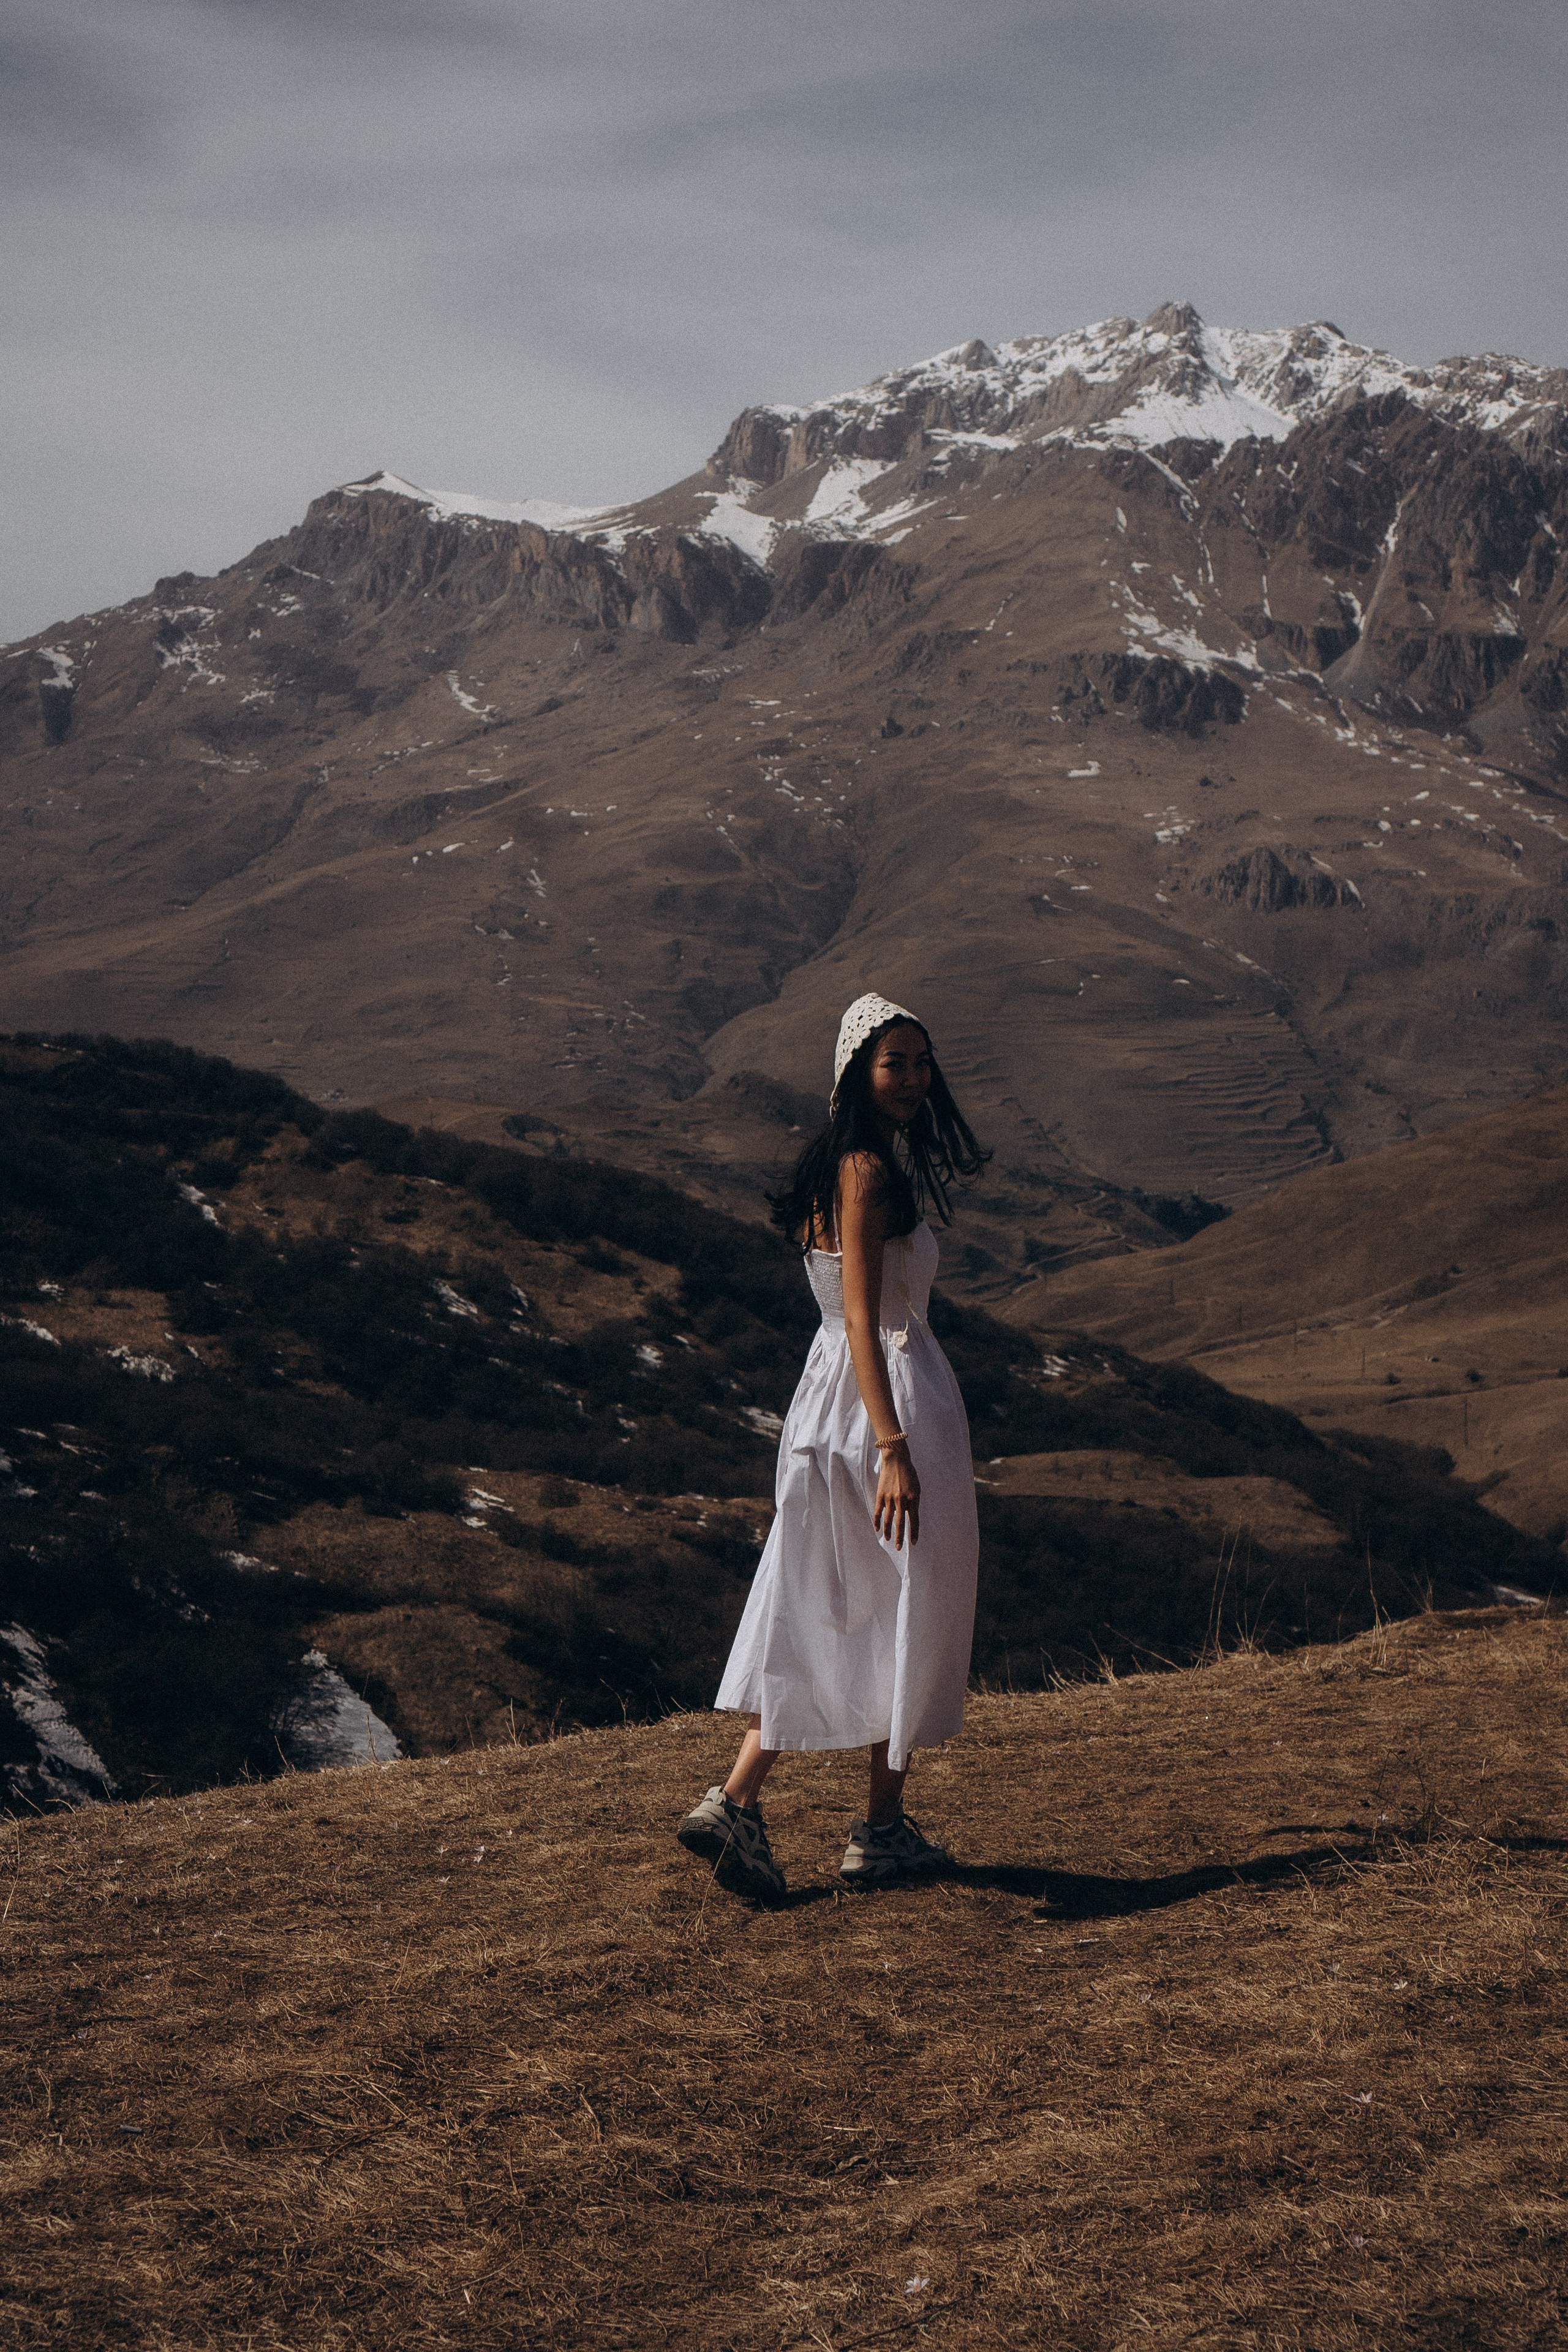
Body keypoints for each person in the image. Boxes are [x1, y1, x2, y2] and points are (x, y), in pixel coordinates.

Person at [677, 991, 990, 1896]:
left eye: (921, 1063)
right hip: (879, 1403)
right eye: (895, 1063)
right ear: (858, 1071)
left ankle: (740, 1803)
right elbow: (861, 1315)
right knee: (908, 1599)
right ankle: (878, 1829)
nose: (913, 1080)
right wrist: (893, 1442)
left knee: (821, 1594)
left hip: (829, 1406)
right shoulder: (865, 1172)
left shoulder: (847, 1164)